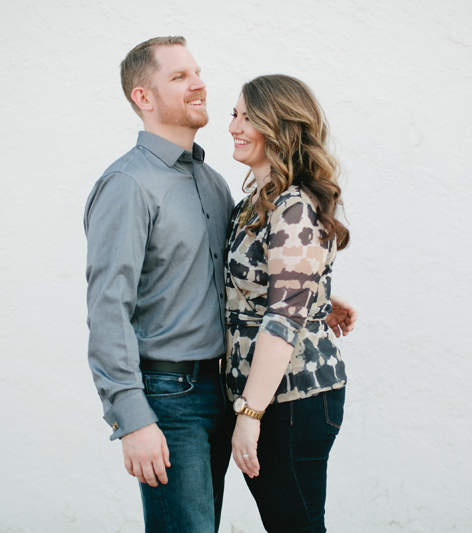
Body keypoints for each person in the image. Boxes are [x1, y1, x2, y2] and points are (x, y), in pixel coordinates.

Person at [84, 37, 356, 533]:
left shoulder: (213, 183)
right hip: (170, 397)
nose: (199, 84)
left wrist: (307, 293)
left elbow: (227, 276)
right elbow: (108, 308)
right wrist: (132, 417)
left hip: (225, 390)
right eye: (179, 76)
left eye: (198, 71)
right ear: (144, 98)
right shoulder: (129, 184)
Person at [225, 75, 350, 533]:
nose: (235, 126)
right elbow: (269, 285)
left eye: (248, 117)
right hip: (270, 394)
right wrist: (319, 296)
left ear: (281, 126)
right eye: (233, 115)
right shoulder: (258, 201)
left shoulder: (293, 204)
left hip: (291, 398)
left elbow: (281, 319)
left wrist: (249, 415)